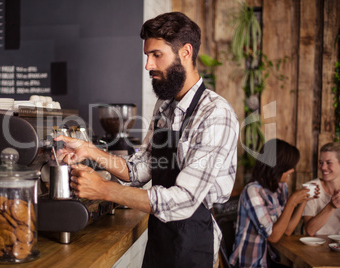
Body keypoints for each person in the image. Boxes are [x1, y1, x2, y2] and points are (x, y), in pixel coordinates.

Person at [55, 12, 239, 267]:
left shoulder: (215, 114)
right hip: (159, 243)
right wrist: (88, 150)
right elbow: (139, 169)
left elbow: (184, 200)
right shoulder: (164, 106)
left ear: (186, 52)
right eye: (147, 55)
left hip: (194, 246)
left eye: (156, 55)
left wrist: (104, 189)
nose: (148, 65)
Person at [229, 139, 317, 268]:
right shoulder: (253, 191)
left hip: (272, 260)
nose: (292, 170)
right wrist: (292, 202)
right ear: (277, 167)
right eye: (289, 167)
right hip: (252, 264)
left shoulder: (281, 187)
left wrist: (304, 199)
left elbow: (287, 230)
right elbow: (273, 236)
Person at [303, 142, 340, 235]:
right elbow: (310, 231)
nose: (323, 167)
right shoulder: (311, 188)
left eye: (328, 163)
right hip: (317, 246)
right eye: (321, 162)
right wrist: (331, 206)